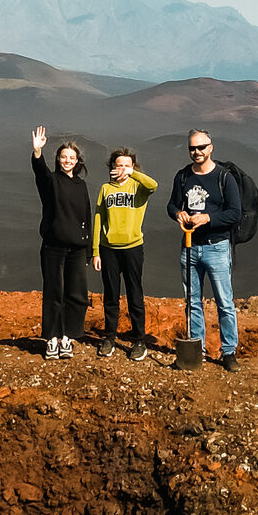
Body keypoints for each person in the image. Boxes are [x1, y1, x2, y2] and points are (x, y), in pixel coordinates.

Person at [166, 127, 241, 369]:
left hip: (217, 247)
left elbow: (234, 213)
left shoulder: (224, 178)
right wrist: (178, 214)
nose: (196, 151)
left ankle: (228, 352)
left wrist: (207, 218)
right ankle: (196, 349)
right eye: (192, 148)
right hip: (189, 246)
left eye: (201, 147)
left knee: (224, 302)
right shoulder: (183, 176)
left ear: (210, 148)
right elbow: (171, 204)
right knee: (192, 301)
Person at [91, 146, 157, 359]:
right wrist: (95, 250)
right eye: (118, 165)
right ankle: (109, 337)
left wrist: (132, 174)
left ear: (133, 168)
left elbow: (153, 185)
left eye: (127, 166)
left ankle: (139, 340)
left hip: (133, 248)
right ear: (111, 167)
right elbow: (99, 219)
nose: (122, 169)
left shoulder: (138, 188)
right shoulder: (105, 189)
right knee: (110, 295)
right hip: (108, 249)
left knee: (134, 294)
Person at [31, 125, 91, 358]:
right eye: (64, 157)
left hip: (77, 249)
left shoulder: (81, 185)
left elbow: (86, 217)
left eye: (72, 158)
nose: (67, 160)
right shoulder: (51, 182)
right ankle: (52, 340)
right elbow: (40, 172)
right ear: (58, 159)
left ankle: (68, 337)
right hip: (53, 248)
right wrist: (37, 152)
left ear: (77, 161)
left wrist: (87, 250)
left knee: (76, 294)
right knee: (54, 292)